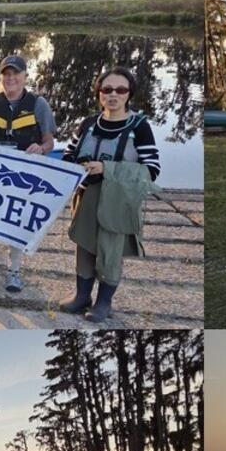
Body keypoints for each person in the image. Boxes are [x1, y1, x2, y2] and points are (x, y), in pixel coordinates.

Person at [62, 66, 163, 322]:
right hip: (86, 198)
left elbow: (151, 170)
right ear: (99, 93)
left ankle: (103, 303)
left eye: (120, 90)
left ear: (129, 94)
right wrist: (78, 166)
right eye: (107, 89)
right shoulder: (87, 124)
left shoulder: (139, 127)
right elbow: (67, 157)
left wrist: (108, 169)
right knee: (84, 248)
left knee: (109, 252)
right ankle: (81, 296)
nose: (113, 95)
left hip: (119, 202)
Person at [0, 55, 59, 291]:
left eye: (15, 74)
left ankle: (14, 271)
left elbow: (49, 141)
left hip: (24, 178)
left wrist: (41, 148)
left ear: (24, 77)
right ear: (1, 77)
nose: (11, 78)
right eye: (6, 74)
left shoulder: (38, 104)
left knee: (16, 222)